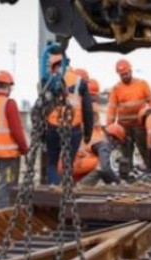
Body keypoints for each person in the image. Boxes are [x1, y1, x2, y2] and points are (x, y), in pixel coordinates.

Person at [45, 55, 93, 185]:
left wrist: (42, 133)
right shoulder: (80, 82)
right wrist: (88, 133)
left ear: (53, 66)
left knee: (51, 163)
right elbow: (88, 110)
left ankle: (54, 186)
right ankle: (65, 188)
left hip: (53, 129)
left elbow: (41, 108)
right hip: (73, 130)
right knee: (68, 163)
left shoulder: (48, 81)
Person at [0, 70, 28, 208]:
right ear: (8, 86)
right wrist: (24, 149)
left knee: (6, 181)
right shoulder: (9, 103)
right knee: (8, 183)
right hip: (9, 155)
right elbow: (17, 130)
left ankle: (5, 208)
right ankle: (0, 210)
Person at [106, 59, 151, 180]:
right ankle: (127, 177)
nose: (124, 76)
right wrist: (109, 127)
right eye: (122, 75)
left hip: (140, 125)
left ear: (131, 71)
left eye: (126, 73)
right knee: (126, 153)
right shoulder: (116, 89)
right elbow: (111, 109)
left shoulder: (142, 84)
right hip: (124, 127)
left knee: (145, 150)